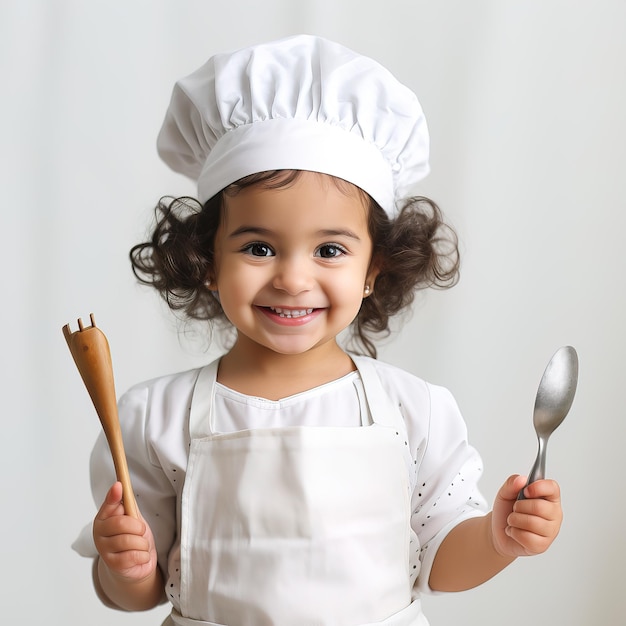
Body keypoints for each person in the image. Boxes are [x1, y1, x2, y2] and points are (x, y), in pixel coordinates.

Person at [72, 35, 562, 625]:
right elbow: (141, 592)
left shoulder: (416, 411)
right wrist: (122, 565)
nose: (293, 278)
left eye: (330, 249)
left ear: (373, 270)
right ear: (206, 262)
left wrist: (497, 539)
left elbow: (438, 562)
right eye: (259, 247)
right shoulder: (155, 418)